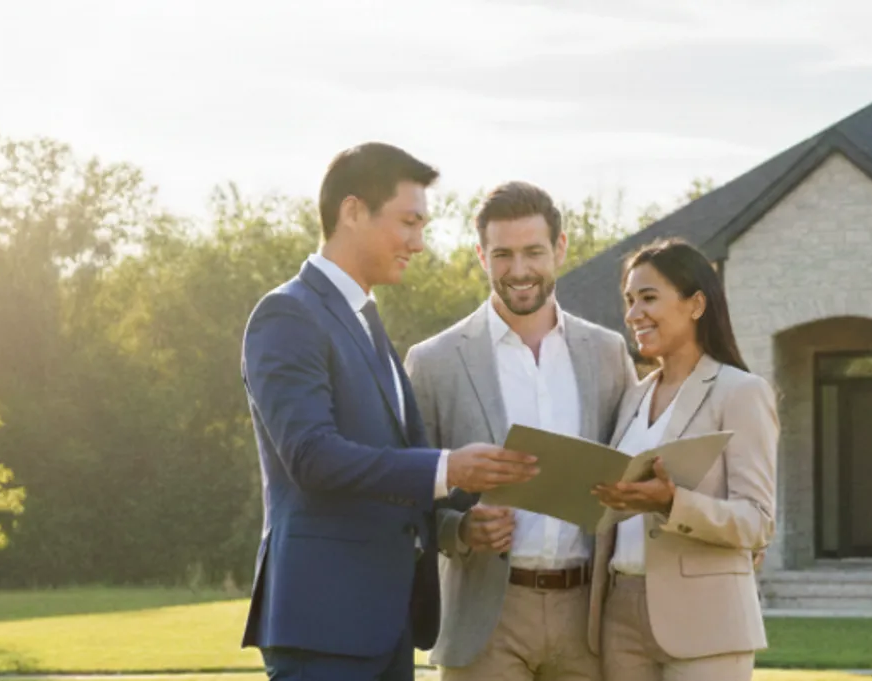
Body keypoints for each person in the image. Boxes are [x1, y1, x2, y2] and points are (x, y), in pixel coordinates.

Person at [239, 142, 538, 681]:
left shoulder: (364, 320)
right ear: (352, 211)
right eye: (409, 222)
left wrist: (478, 507)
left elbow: (396, 460)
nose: (419, 243)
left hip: (386, 620)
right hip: (324, 623)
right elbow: (312, 456)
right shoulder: (288, 315)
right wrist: (448, 468)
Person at [403, 181, 636, 680]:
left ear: (561, 248)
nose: (519, 270)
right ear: (481, 256)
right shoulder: (434, 362)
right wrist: (461, 530)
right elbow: (406, 494)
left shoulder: (608, 353)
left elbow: (635, 470)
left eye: (534, 251)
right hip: (485, 619)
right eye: (502, 254)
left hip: (588, 619)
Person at [587, 238, 779, 681]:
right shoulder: (632, 398)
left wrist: (672, 504)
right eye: (630, 301)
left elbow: (758, 521)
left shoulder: (741, 392)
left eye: (649, 298)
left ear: (695, 305)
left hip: (707, 622)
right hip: (621, 617)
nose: (635, 314)